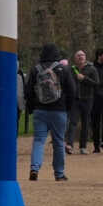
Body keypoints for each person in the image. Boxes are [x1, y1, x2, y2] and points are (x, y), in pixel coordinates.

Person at [24, 44, 73, 181]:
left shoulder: (36, 69)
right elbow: (72, 90)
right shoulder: (63, 69)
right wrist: (67, 107)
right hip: (59, 110)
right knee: (58, 142)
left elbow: (28, 91)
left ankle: (34, 168)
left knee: (39, 141)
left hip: (40, 110)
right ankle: (59, 173)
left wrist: (33, 106)